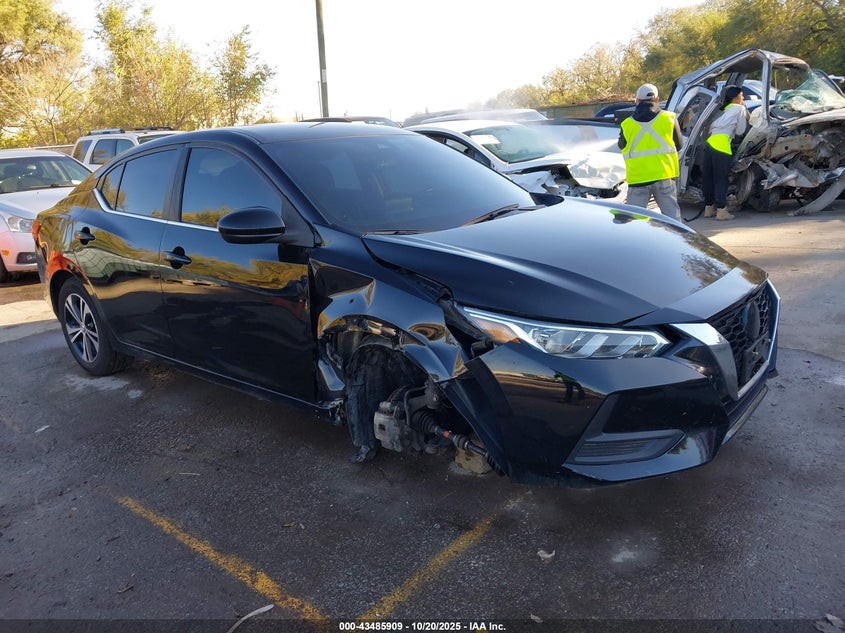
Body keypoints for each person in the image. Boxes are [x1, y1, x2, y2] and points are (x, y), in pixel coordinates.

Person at [618, 83, 684, 220]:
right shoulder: (669, 118)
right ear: (657, 99)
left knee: (635, 221)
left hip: (638, 179)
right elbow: (679, 145)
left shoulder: (627, 124)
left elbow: (621, 145)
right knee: (673, 219)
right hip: (664, 175)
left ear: (637, 101)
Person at [701, 85, 749, 221]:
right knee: (721, 179)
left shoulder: (722, 109)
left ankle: (708, 208)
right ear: (735, 98)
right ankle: (721, 211)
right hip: (722, 147)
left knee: (709, 178)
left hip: (709, 144)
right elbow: (740, 131)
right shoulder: (739, 108)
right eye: (741, 96)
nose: (743, 98)